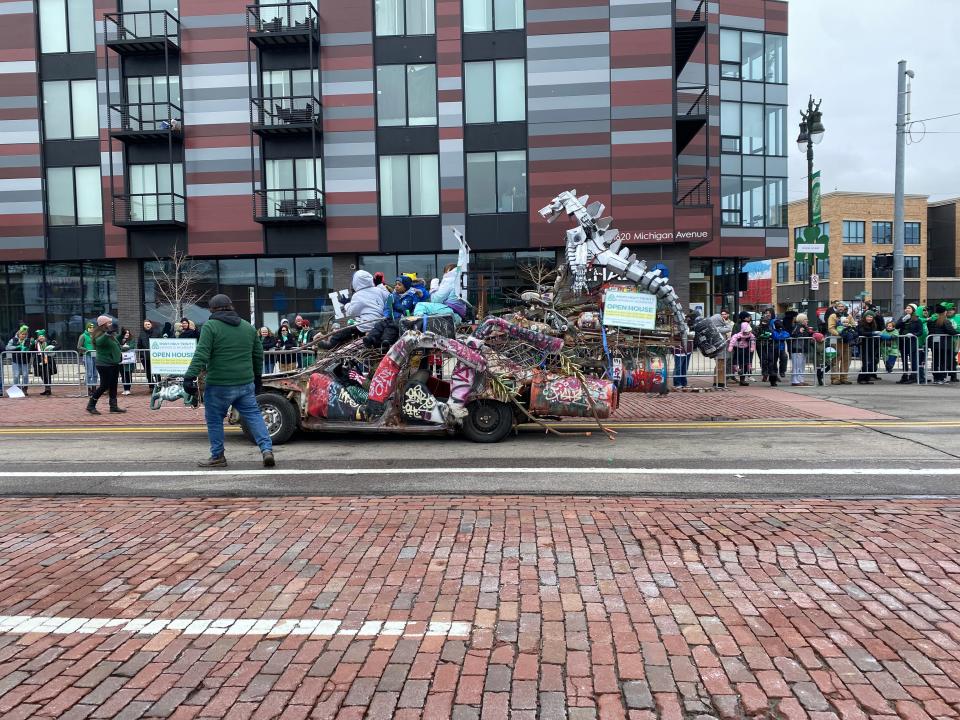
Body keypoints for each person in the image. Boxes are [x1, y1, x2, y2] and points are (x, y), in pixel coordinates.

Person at [182, 293, 274, 468]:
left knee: (215, 419)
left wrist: (189, 376)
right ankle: (266, 450)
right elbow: (257, 354)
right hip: (245, 382)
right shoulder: (248, 327)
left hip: (219, 384)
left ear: (212, 309)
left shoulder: (211, 326)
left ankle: (218, 456)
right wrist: (257, 377)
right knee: (254, 416)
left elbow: (201, 354)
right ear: (231, 307)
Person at [316, 270, 387, 350]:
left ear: (356, 282)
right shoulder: (378, 291)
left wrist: (346, 303)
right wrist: (380, 285)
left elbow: (351, 311)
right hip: (379, 324)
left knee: (344, 332)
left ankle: (331, 344)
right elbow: (388, 297)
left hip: (365, 325)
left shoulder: (358, 295)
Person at [364, 276, 420, 348]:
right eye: (396, 284)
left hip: (403, 319)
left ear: (406, 287)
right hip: (391, 317)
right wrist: (387, 315)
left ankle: (386, 341)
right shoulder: (392, 296)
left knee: (391, 327)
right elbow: (387, 307)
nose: (396, 286)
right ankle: (370, 338)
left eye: (399, 285)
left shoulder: (412, 296)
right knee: (380, 324)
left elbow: (416, 309)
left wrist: (409, 316)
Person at [86, 315, 125, 415]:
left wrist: (122, 335)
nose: (110, 324)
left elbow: (115, 342)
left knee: (113, 385)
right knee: (104, 385)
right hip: (104, 364)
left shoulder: (109, 334)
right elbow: (99, 342)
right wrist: (107, 334)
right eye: (109, 323)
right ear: (103, 325)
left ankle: (113, 406)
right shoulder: (99, 334)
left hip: (113, 363)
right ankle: (91, 405)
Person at [927, 305, 958, 384]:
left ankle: (936, 378)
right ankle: (941, 378)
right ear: (944, 312)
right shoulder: (945, 320)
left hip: (934, 343)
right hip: (944, 344)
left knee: (936, 361)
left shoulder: (931, 320)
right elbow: (951, 331)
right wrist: (957, 332)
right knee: (943, 361)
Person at [895, 304, 923, 383]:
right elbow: (896, 326)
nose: (907, 309)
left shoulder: (917, 319)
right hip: (903, 342)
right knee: (904, 360)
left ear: (913, 310)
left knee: (913, 360)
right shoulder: (902, 318)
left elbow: (920, 332)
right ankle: (904, 376)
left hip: (912, 342)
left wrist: (913, 334)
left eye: (909, 308)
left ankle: (913, 377)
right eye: (906, 308)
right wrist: (903, 320)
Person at [827, 302, 853, 385]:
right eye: (839, 306)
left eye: (842, 306)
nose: (841, 308)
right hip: (836, 340)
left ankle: (844, 378)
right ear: (836, 307)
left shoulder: (849, 316)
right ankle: (835, 378)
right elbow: (831, 328)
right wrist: (839, 334)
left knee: (846, 359)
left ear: (845, 307)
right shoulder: (833, 316)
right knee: (835, 359)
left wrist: (849, 332)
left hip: (846, 341)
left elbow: (853, 325)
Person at [707, 309, 733, 389]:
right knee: (721, 366)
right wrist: (725, 322)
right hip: (720, 350)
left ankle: (717, 382)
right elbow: (729, 328)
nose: (723, 318)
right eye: (721, 318)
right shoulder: (719, 328)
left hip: (718, 349)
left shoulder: (713, 327)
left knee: (719, 366)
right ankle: (720, 382)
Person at [857, 310, 884, 384]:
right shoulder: (861, 324)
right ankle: (861, 378)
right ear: (865, 317)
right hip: (864, 345)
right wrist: (872, 333)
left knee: (872, 363)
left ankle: (867, 378)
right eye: (868, 316)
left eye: (871, 317)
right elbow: (861, 332)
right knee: (866, 363)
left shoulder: (873, 324)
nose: (869, 318)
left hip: (873, 345)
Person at [6, 325, 33, 394]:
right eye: (22, 334)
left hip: (25, 360)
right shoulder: (13, 339)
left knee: (25, 375)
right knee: (16, 375)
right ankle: (17, 388)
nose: (23, 335)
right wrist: (17, 347)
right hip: (16, 360)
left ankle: (24, 388)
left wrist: (31, 345)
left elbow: (31, 348)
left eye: (24, 334)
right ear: (18, 334)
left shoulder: (28, 340)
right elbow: (7, 347)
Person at [789, 313, 815, 386]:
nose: (807, 321)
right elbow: (793, 334)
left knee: (802, 365)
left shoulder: (805, 327)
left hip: (803, 348)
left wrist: (810, 333)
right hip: (798, 348)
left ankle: (801, 380)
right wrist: (800, 332)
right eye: (805, 319)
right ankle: (795, 381)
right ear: (802, 320)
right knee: (797, 365)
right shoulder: (797, 326)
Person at [727, 322, 756, 386]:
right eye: (747, 331)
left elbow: (753, 341)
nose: (748, 332)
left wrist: (752, 348)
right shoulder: (738, 335)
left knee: (745, 363)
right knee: (736, 361)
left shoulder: (751, 335)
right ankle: (737, 369)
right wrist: (730, 347)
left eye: (749, 331)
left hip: (746, 349)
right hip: (738, 349)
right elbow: (732, 341)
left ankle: (742, 379)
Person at [763, 317, 790, 387]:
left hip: (781, 348)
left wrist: (781, 336)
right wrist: (781, 336)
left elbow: (787, 334)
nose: (779, 325)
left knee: (784, 357)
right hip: (772, 348)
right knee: (773, 364)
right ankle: (773, 381)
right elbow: (776, 337)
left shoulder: (781, 330)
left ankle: (782, 371)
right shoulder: (771, 331)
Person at [138, 319, 161, 392]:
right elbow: (139, 345)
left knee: (156, 372)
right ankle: (151, 387)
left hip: (155, 357)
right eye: (145, 324)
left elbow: (161, 343)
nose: (147, 326)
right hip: (145, 357)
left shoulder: (157, 333)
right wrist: (141, 355)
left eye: (148, 324)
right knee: (148, 373)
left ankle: (159, 386)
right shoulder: (141, 334)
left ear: (151, 325)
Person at [77, 322, 98, 396]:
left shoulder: (95, 335)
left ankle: (94, 387)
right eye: (90, 327)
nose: (92, 329)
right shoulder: (83, 336)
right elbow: (79, 346)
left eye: (93, 327)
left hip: (95, 355)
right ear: (87, 328)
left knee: (95, 372)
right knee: (89, 372)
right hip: (87, 355)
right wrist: (86, 350)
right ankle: (88, 388)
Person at [118, 328, 136, 395]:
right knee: (123, 375)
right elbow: (118, 347)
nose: (127, 334)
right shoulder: (119, 340)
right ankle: (125, 389)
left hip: (129, 360)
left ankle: (128, 389)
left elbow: (132, 346)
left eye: (128, 333)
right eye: (125, 333)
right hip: (121, 360)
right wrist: (124, 347)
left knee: (128, 374)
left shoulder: (132, 340)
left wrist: (124, 347)